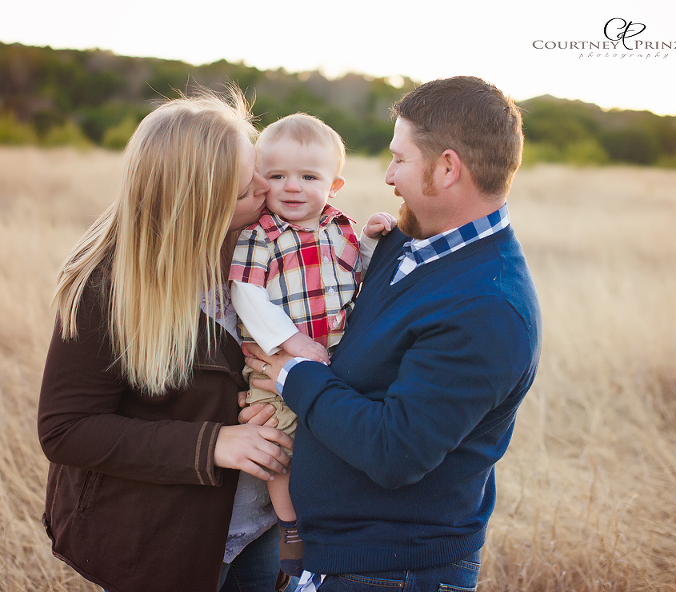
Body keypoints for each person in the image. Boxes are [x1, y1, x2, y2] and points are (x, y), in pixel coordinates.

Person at [243, 76, 542, 591]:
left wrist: (294, 376)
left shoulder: (488, 306)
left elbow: (394, 450)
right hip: (334, 556)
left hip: (391, 571)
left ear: (447, 168)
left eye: (400, 159)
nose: (388, 175)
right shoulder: (407, 244)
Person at [37, 87, 295, 592]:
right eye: (245, 189)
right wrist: (213, 443)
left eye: (258, 169)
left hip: (261, 525)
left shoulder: (259, 244)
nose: (267, 188)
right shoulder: (106, 287)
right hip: (166, 540)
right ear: (198, 208)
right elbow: (66, 429)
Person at [228, 113, 397, 577]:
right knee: (278, 442)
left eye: (308, 177)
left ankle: (325, 520)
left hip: (335, 360)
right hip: (275, 362)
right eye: (277, 176)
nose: (292, 187)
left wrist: (370, 241)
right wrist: (291, 340)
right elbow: (245, 292)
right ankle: (291, 527)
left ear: (334, 185)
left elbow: (357, 277)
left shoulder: (341, 228)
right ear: (260, 179)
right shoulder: (259, 235)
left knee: (328, 440)